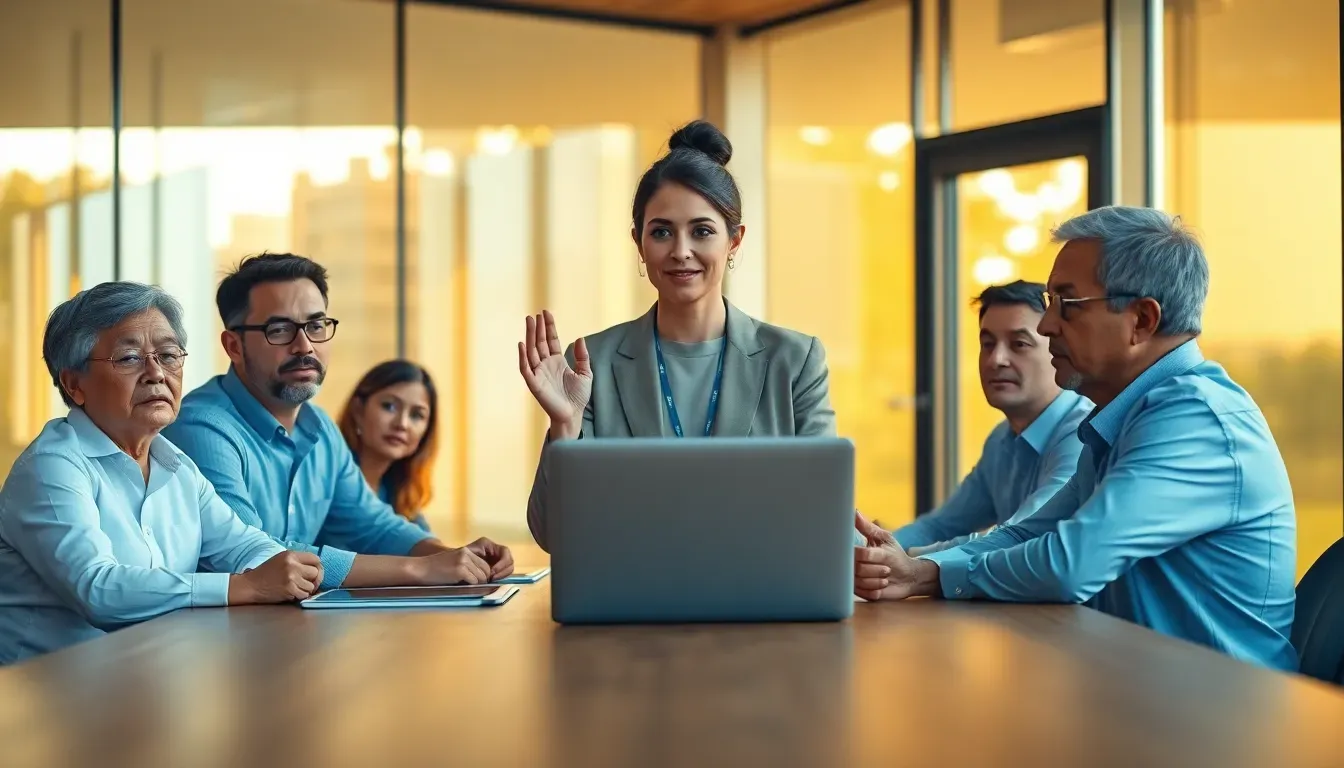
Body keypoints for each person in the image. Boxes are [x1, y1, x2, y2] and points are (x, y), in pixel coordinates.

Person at [853, 206, 1298, 671]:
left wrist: (929, 575)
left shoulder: (1195, 419)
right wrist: (916, 568)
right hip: (1142, 701)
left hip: (1225, 719)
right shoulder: (1127, 416)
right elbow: (1033, 530)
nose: (1046, 326)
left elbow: (1071, 563)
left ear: (1142, 320)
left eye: (1067, 304)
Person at [519, 120, 836, 551]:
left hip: (759, 599)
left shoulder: (795, 361)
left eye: (702, 231)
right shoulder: (593, 362)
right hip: (630, 603)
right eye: (661, 232)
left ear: (734, 241)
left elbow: (825, 512)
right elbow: (553, 535)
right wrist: (564, 424)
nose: (680, 250)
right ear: (639, 242)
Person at [0, 282, 321, 664]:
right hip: (51, 695)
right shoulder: (52, 466)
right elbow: (97, 589)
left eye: (169, 355)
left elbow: (243, 545)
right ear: (74, 383)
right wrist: (243, 586)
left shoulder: (176, 466)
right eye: (130, 358)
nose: (157, 374)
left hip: (150, 677)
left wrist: (282, 570)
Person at [163, 253, 513, 590]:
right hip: (205, 636)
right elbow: (254, 555)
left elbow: (374, 526)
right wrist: (420, 568)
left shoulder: (320, 429)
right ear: (234, 346)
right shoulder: (202, 427)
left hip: (285, 631)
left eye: (316, 326)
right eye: (280, 330)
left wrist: (457, 557)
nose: (305, 346)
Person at [884, 281, 1091, 556]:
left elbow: (1023, 535)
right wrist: (873, 548)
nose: (996, 360)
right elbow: (941, 526)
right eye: (987, 344)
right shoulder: (1002, 439)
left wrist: (909, 557)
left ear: (1059, 350)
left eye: (1019, 344)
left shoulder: (1083, 434)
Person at [338, 360, 438, 532]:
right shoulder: (328, 477)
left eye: (416, 415)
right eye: (389, 406)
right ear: (358, 410)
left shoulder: (400, 495)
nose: (402, 424)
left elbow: (431, 551)